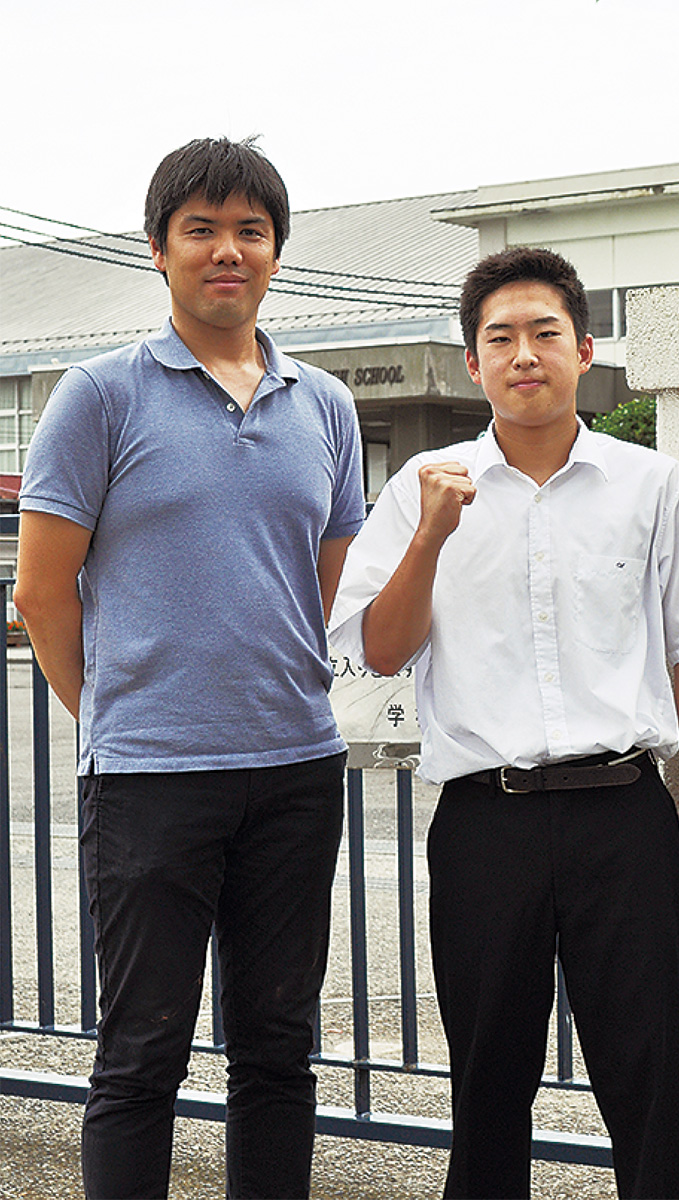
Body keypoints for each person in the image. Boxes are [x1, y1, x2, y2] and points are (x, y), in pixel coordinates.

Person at [329, 246, 679, 1200]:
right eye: (500, 338)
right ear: (473, 363)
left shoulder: (652, 485)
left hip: (626, 816)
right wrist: (432, 537)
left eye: (544, 333)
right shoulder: (421, 489)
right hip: (486, 821)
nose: (524, 354)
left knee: (649, 1077)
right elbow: (385, 649)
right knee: (489, 1082)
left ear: (584, 349)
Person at [14, 136, 364, 1200]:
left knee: (278, 1053)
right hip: (150, 780)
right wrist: (118, 714)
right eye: (201, 229)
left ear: (276, 252)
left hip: (297, 770)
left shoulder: (326, 404)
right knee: (141, 1056)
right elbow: (41, 592)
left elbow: (329, 589)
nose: (228, 250)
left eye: (250, 231)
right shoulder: (98, 395)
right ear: (158, 249)